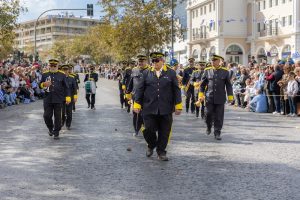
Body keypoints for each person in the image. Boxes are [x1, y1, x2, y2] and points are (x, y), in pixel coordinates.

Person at [133, 52, 182, 161]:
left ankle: (161, 152)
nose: (154, 63)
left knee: (165, 131)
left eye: (157, 60)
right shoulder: (146, 73)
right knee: (148, 129)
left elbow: (176, 90)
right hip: (149, 107)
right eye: (153, 61)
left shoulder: (171, 73)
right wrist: (137, 104)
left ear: (162, 61)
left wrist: (178, 106)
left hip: (166, 108)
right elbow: (140, 90)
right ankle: (151, 145)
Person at [199, 55, 233, 140]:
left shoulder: (225, 71)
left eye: (215, 60)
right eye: (212, 60)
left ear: (219, 61)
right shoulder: (207, 71)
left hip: (220, 97)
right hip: (209, 97)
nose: (213, 62)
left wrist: (230, 97)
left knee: (219, 116)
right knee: (208, 113)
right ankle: (208, 126)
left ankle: (217, 132)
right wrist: (201, 95)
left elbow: (228, 85)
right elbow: (202, 85)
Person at [40, 59, 71, 140]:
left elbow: (66, 87)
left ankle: (56, 132)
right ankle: (50, 128)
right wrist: (43, 84)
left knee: (58, 117)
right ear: (49, 66)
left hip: (59, 99)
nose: (53, 67)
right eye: (51, 65)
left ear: (57, 66)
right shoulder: (44, 74)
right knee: (46, 116)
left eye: (54, 66)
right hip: (48, 98)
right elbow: (39, 85)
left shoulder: (62, 74)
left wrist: (68, 97)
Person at [126, 55, 149, 136]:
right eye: (139, 61)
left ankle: (146, 129)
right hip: (135, 96)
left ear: (146, 61)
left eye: (142, 61)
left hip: (146, 97)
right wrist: (128, 92)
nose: (140, 63)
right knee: (136, 114)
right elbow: (131, 82)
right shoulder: (134, 70)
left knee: (145, 114)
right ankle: (136, 130)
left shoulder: (149, 70)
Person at [61, 64, 78, 130]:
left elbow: (75, 88)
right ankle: (62, 123)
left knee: (69, 112)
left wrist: (75, 96)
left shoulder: (72, 78)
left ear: (68, 70)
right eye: (64, 70)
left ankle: (68, 124)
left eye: (66, 70)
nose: (65, 71)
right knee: (62, 112)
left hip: (70, 97)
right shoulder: (59, 78)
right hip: (61, 97)